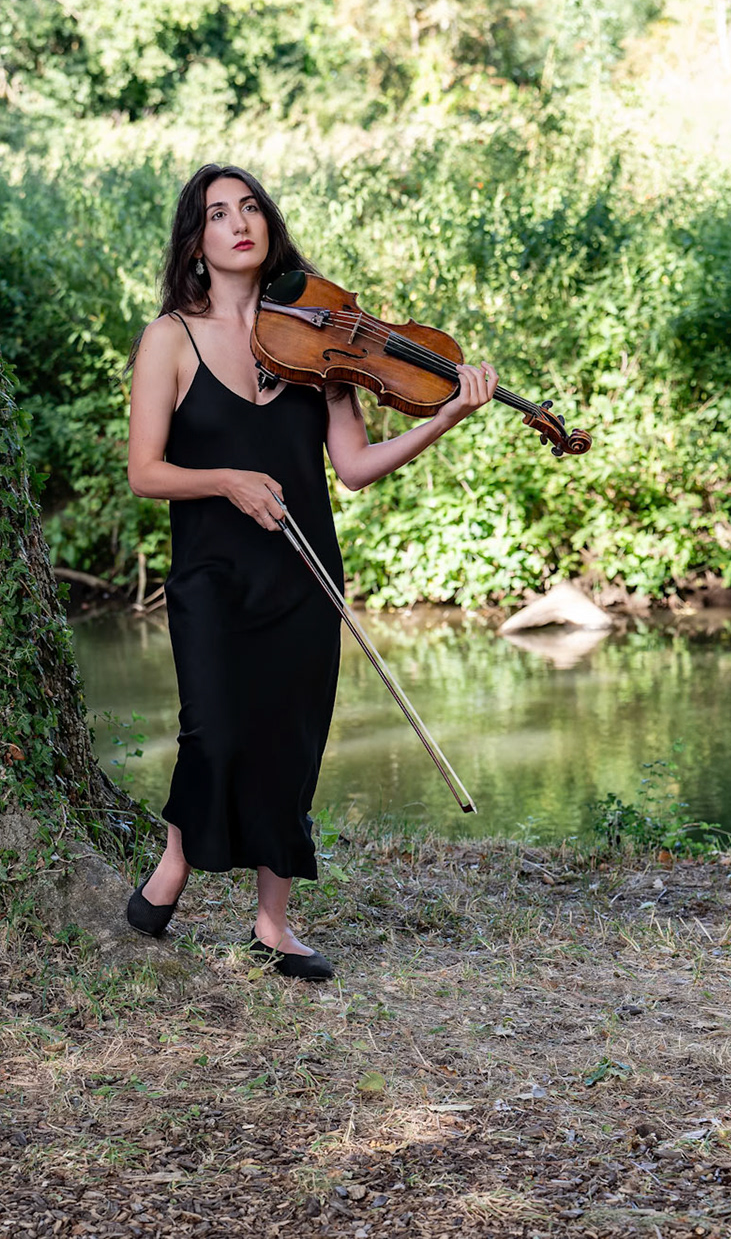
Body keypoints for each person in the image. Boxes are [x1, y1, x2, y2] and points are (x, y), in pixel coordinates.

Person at [121, 163, 497, 980]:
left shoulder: (318, 336)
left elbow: (353, 468)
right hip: (213, 574)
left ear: (268, 223)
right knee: (213, 730)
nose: (239, 223)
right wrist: (227, 480)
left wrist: (446, 416)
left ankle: (273, 925)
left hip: (303, 571)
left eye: (250, 207)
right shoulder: (170, 339)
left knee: (291, 742)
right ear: (195, 243)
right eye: (218, 214)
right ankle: (176, 859)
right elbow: (145, 472)